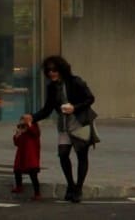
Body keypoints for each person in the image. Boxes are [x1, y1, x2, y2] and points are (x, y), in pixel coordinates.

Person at [25, 55, 97, 203]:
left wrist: (74, 108)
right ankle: (70, 185)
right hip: (64, 124)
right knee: (63, 154)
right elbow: (47, 109)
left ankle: (78, 189)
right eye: (48, 70)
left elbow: (90, 98)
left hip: (80, 122)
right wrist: (32, 117)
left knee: (81, 156)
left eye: (54, 70)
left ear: (62, 69)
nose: (51, 73)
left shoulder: (75, 81)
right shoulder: (52, 87)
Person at [12, 114, 41, 200]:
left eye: (26, 119)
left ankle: (37, 193)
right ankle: (19, 186)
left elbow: (36, 134)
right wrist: (17, 135)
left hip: (31, 154)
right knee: (17, 170)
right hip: (21, 153)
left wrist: (29, 124)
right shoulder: (21, 129)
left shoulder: (34, 127)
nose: (24, 121)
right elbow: (16, 143)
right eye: (23, 119)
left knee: (33, 174)